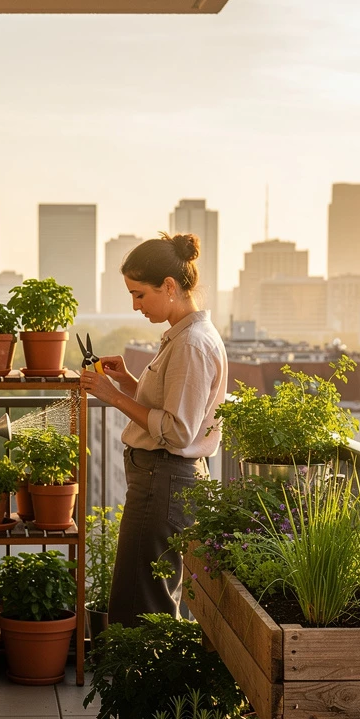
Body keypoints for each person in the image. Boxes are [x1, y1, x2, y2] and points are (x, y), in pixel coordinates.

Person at [78, 232, 227, 627]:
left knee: (142, 602)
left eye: (139, 294)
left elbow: (177, 431)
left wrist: (113, 396)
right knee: (145, 592)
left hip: (164, 479)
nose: (135, 305)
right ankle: (148, 684)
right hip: (162, 479)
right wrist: (129, 383)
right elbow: (170, 411)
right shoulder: (183, 337)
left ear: (170, 286)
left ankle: (145, 686)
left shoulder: (191, 344)